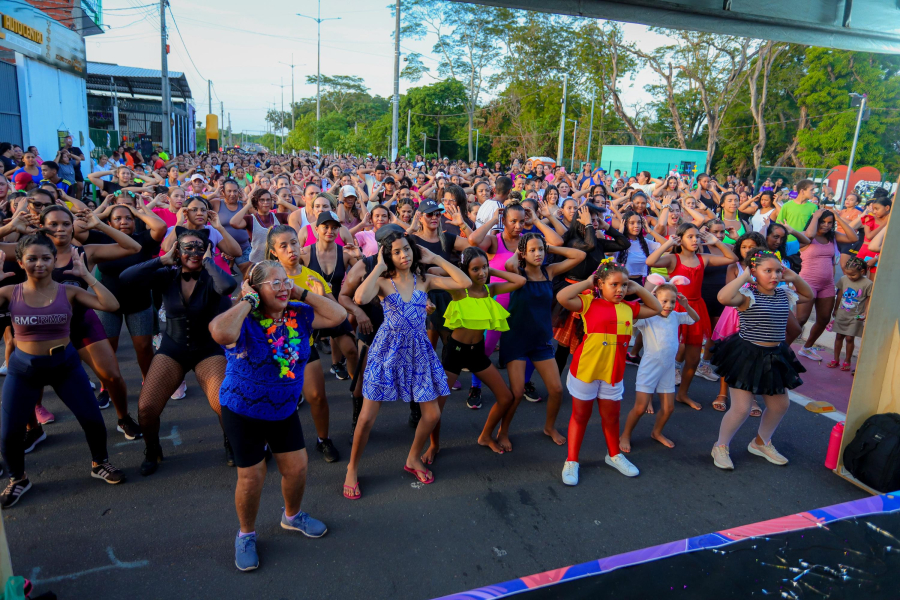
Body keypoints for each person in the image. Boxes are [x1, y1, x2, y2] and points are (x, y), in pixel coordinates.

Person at [210, 260, 346, 572]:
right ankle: (246, 534)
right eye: (275, 283)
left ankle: (292, 516)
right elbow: (219, 332)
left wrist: (299, 291)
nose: (284, 286)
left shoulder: (299, 313)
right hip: (242, 409)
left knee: (297, 469)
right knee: (252, 475)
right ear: (255, 289)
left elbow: (338, 316)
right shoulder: (244, 318)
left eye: (286, 280)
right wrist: (248, 300)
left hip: (283, 408)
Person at [0, 234, 125, 508]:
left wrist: (88, 277)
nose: (39, 264)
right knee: (9, 432)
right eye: (32, 259)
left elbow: (111, 305)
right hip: (23, 369)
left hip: (65, 366)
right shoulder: (10, 293)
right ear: (20, 262)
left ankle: (99, 463)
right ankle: (18, 478)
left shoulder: (69, 292)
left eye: (46, 258)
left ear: (55, 260)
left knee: (92, 419)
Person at [343, 231, 471, 499]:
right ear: (388, 255)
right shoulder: (382, 281)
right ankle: (352, 468)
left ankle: (413, 458)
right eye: (397, 251)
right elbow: (359, 299)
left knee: (433, 415)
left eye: (407, 249)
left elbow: (465, 281)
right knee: (366, 418)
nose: (404, 255)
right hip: (386, 351)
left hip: (418, 351)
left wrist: (435, 256)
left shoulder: (424, 280)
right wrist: (378, 264)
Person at [121, 230, 238, 476]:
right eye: (187, 248)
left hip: (208, 349)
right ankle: (152, 449)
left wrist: (209, 262)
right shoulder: (167, 275)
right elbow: (126, 277)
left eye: (199, 248)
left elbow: (228, 287)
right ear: (177, 250)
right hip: (172, 348)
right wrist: (161, 260)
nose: (193, 253)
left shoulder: (212, 277)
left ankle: (232, 443)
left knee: (223, 403)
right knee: (146, 408)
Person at [558, 260, 662, 485]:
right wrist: (587, 282)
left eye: (624, 285)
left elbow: (657, 308)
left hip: (613, 374)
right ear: (601, 284)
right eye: (614, 284)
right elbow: (562, 297)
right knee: (580, 416)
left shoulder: (630, 308)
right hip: (586, 371)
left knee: (611, 417)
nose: (621, 289)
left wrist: (640, 288)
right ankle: (572, 460)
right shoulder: (588, 303)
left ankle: (614, 454)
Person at [710, 250, 813, 470]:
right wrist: (743, 277)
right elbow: (723, 297)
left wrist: (794, 277)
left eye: (778, 270)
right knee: (741, 408)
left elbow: (808, 295)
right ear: (754, 272)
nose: (775, 275)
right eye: (768, 271)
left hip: (775, 355)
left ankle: (760, 442)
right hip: (747, 355)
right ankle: (720, 446)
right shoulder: (748, 295)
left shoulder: (784, 293)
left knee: (780, 405)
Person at [430, 247, 525, 459]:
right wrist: (458, 272)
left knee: (506, 397)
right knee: (436, 409)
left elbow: (520, 282)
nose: (482, 273)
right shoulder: (458, 290)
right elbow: (434, 272)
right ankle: (434, 445)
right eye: (476, 269)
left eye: (484, 267)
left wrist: (493, 270)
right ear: (465, 271)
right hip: (454, 352)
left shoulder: (489, 290)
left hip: (477, 353)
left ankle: (485, 436)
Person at [499, 234, 585, 447]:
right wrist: (519, 250)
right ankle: (503, 431)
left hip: (540, 339)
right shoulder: (518, 272)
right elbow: (510, 263)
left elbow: (579, 255)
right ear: (523, 253)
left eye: (540, 250)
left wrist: (550, 248)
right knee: (516, 393)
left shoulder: (549, 271)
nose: (538, 254)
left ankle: (549, 427)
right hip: (516, 338)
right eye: (532, 250)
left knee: (556, 390)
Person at [645, 223, 738, 410]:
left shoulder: (704, 258)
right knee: (664, 354)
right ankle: (647, 396)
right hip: (673, 308)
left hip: (695, 307)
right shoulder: (673, 259)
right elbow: (650, 262)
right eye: (690, 236)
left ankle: (682, 394)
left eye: (697, 236)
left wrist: (716, 241)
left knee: (694, 358)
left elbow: (732, 257)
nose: (695, 240)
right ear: (680, 239)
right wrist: (668, 243)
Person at [619, 283, 698, 453]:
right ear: (655, 300)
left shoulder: (676, 316)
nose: (668, 306)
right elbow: (631, 317)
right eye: (664, 301)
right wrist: (646, 298)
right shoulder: (648, 317)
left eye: (672, 301)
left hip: (667, 369)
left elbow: (694, 319)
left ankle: (656, 432)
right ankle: (625, 434)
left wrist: (685, 305)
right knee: (640, 408)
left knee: (669, 408)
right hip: (649, 368)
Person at [95, 202, 167, 381]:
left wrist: (136, 210)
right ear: (109, 223)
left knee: (144, 348)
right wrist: (103, 213)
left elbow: (160, 226)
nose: (123, 222)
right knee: (108, 348)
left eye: (128, 218)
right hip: (108, 305)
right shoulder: (102, 240)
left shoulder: (143, 240)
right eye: (117, 219)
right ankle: (108, 385)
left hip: (139, 303)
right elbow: (77, 227)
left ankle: (148, 381)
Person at [795, 209, 858, 361]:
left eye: (830, 222)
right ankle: (783, 348)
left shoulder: (832, 237)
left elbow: (853, 237)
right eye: (823, 221)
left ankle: (807, 347)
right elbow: (809, 235)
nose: (826, 225)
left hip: (827, 284)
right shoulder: (806, 235)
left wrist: (839, 218)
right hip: (807, 283)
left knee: (823, 319)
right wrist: (816, 216)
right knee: (801, 319)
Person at [829, 257, 871, 371]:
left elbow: (869, 298)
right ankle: (836, 359)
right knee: (838, 336)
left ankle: (847, 361)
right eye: (848, 274)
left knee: (849, 338)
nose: (850, 277)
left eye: (852, 275)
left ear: (862, 272)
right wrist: (835, 309)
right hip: (842, 314)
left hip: (855, 316)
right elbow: (840, 294)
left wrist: (865, 312)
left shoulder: (868, 283)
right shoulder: (843, 279)